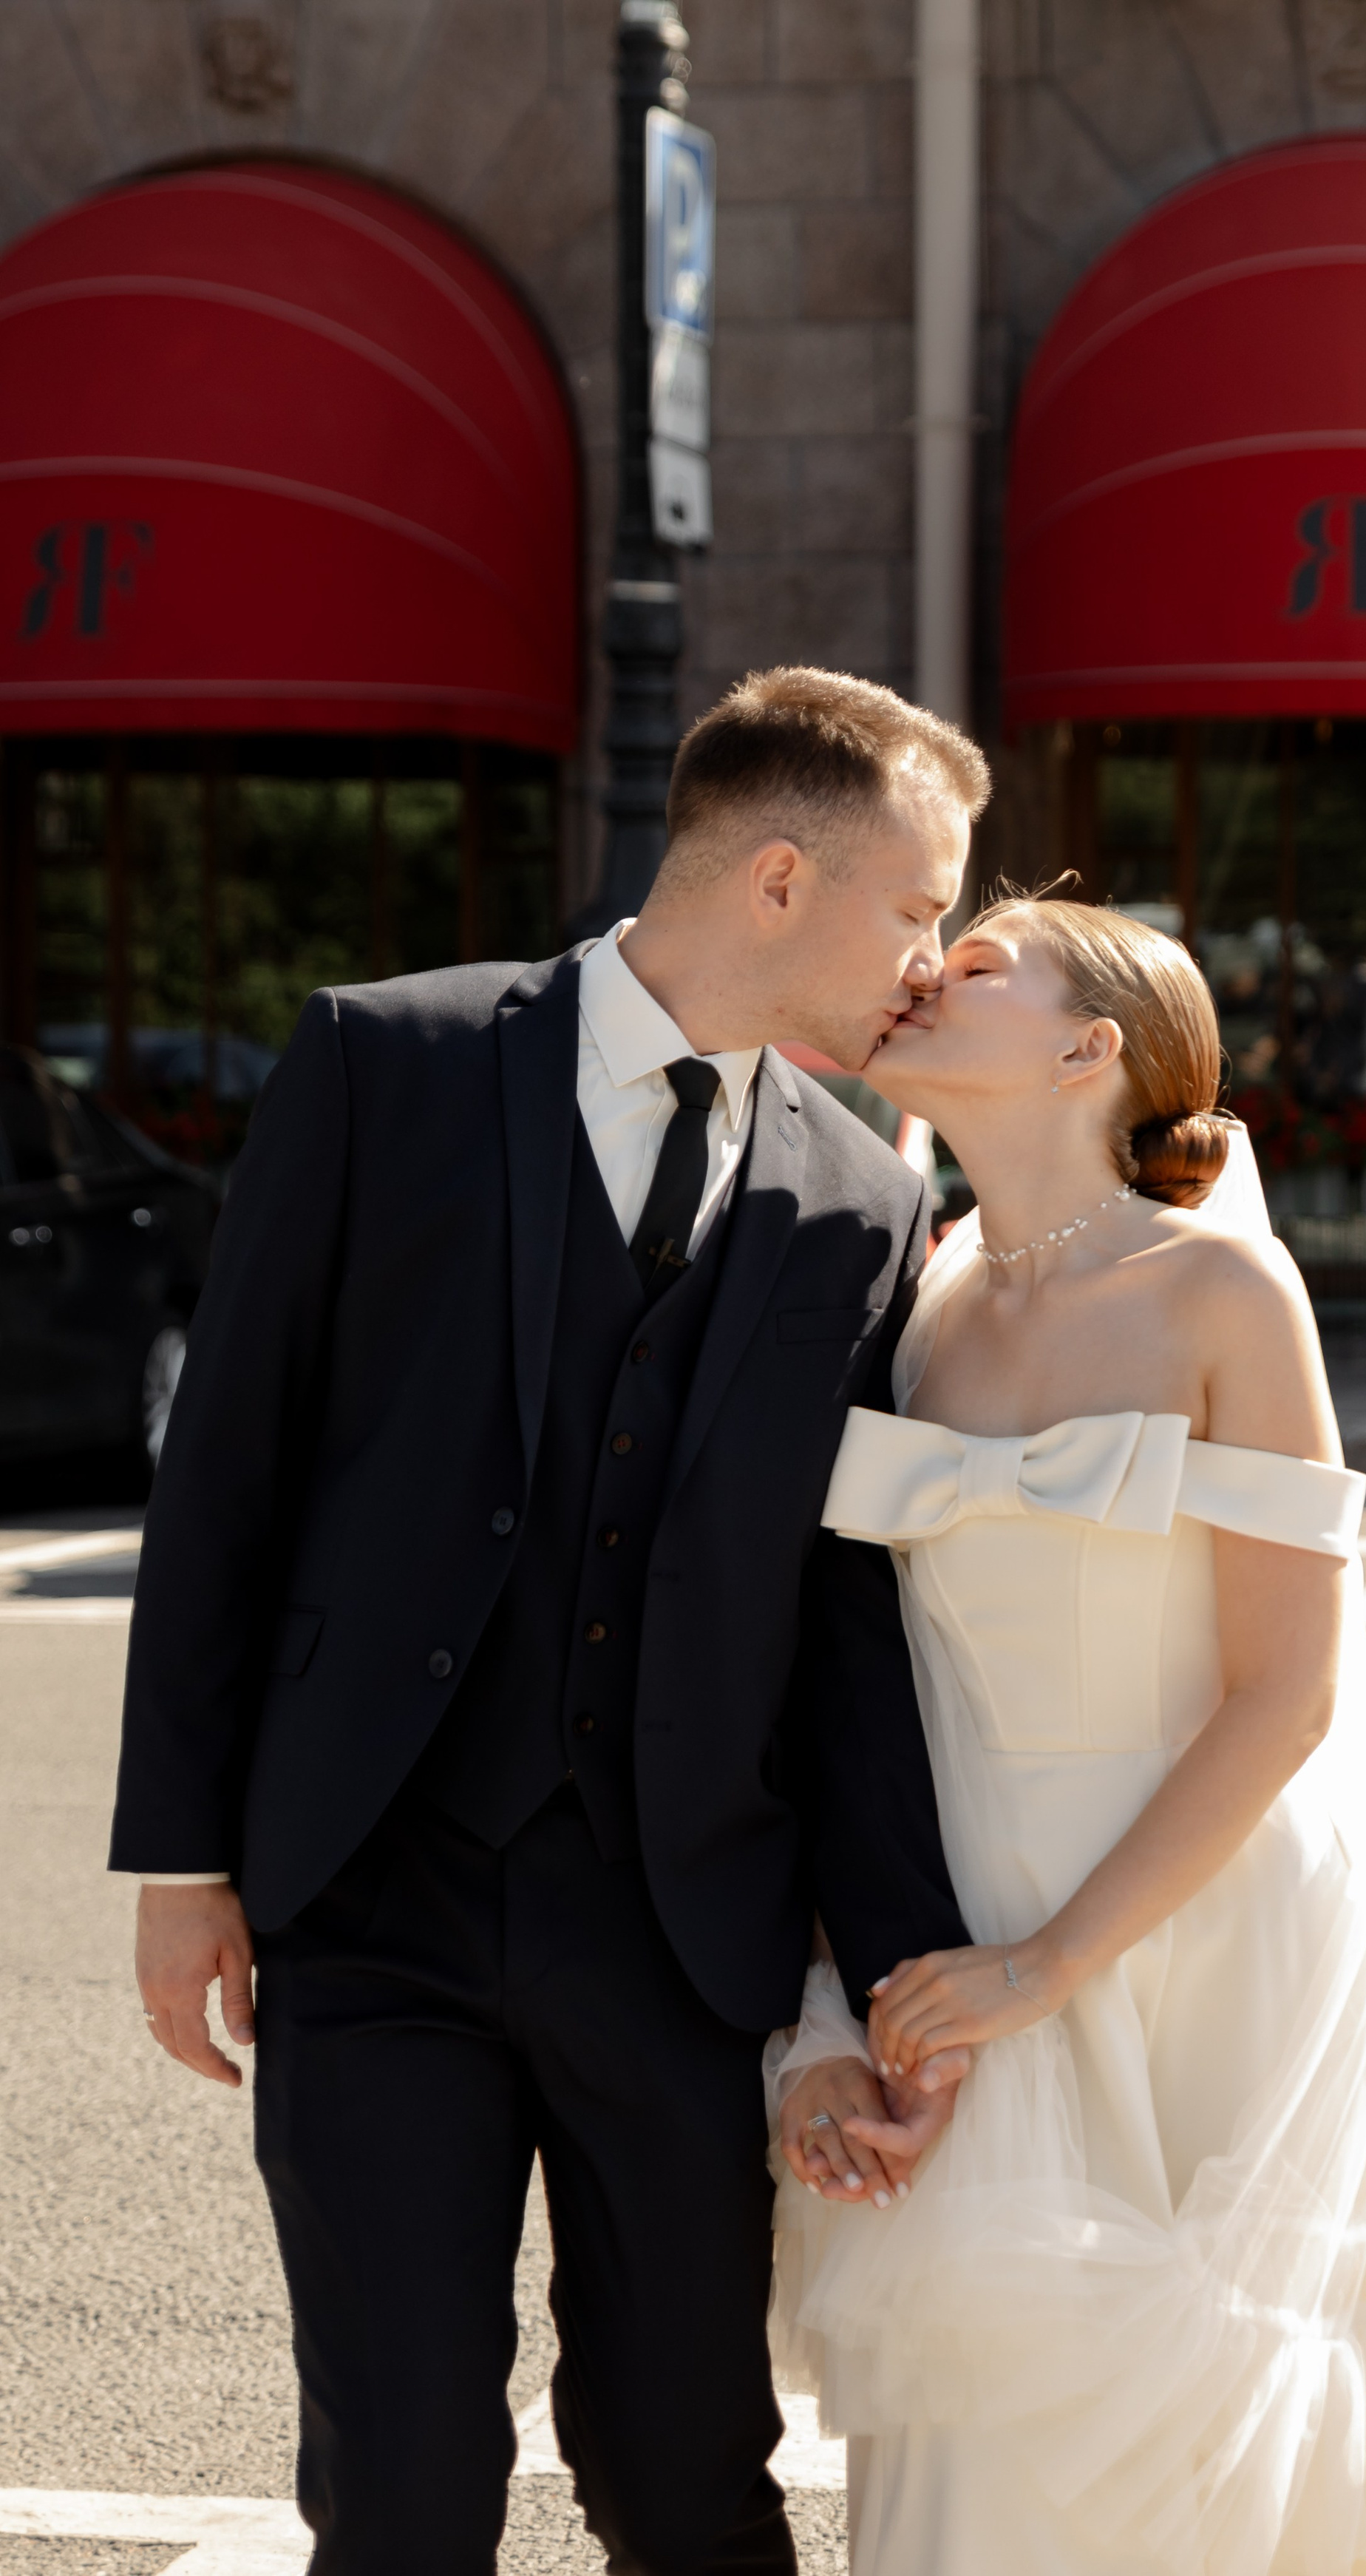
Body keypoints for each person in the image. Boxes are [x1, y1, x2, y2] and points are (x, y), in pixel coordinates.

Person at [109, 668, 991, 2576]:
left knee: (685, 2472)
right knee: (404, 2479)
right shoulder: (385, 1063)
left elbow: (842, 1626)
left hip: (677, 1937)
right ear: (778, 880)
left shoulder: (859, 1196)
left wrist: (894, 1972)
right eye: (916, 912)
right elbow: (228, 1478)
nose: (930, 968)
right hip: (373, 1904)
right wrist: (182, 1857)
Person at [765, 893, 1366, 2576]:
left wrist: (1054, 1958)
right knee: (993, 2462)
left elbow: (1287, 1690)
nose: (922, 974)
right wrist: (851, 1983)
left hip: (1212, 1924)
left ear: (1087, 1048)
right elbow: (855, 1693)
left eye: (974, 964)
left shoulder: (1225, 1290)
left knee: (1278, 2456)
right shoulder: (914, 1290)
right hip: (970, 1922)